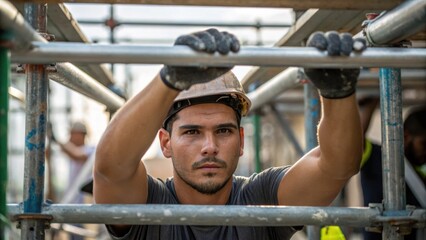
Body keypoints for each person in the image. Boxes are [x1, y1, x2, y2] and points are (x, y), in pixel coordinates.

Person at [93, 28, 365, 239]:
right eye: (192, 132)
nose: (209, 146)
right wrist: (170, 79)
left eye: (223, 130)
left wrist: (337, 93)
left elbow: (337, 166)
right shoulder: (149, 204)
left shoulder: (261, 199)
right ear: (166, 143)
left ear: (241, 140)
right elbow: (110, 167)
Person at [359, 98, 426, 240]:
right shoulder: (377, 157)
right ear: (406, 136)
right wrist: (372, 100)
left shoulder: (421, 175)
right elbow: (352, 142)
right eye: (424, 144)